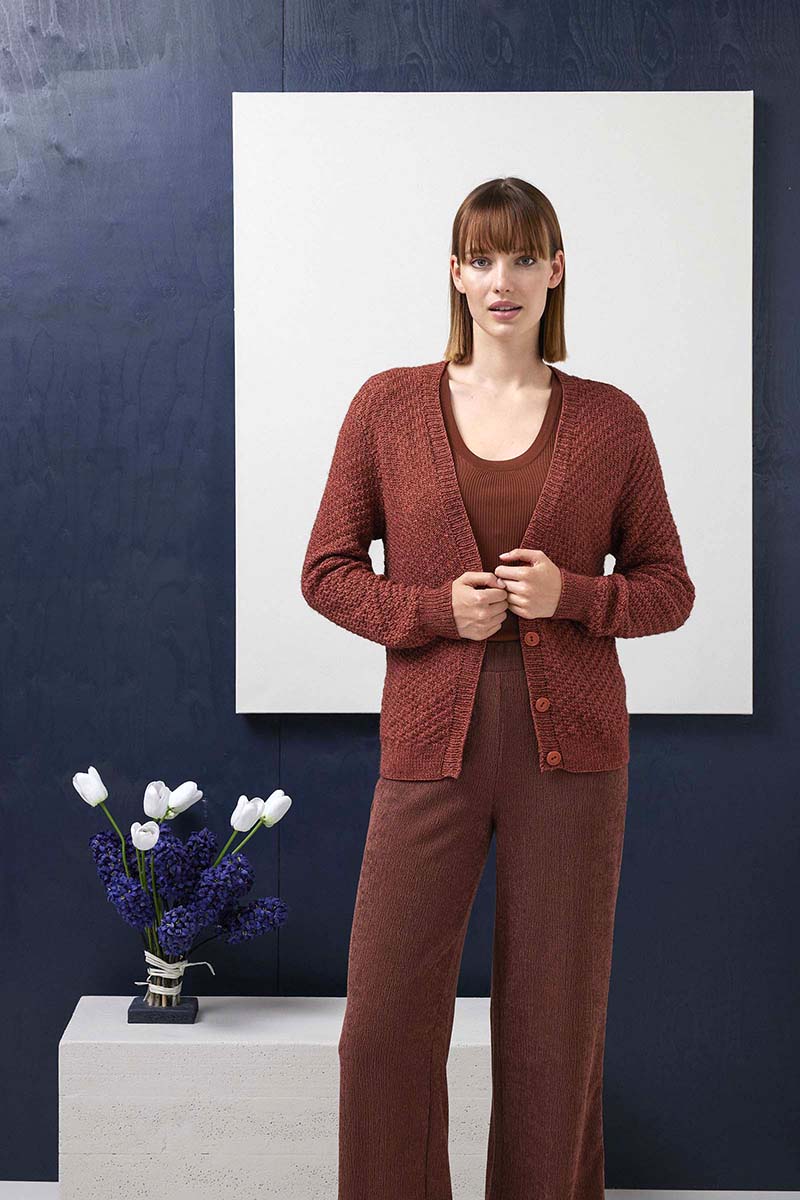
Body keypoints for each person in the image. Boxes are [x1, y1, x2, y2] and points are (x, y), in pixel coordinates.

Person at [301, 176, 696, 1200]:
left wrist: (575, 596)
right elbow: (326, 571)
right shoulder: (388, 406)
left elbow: (668, 588)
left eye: (523, 257)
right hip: (428, 747)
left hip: (572, 763)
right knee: (382, 1028)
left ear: (555, 271)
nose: (501, 279)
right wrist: (433, 610)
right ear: (455, 273)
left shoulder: (609, 420)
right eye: (481, 258)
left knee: (552, 1032)